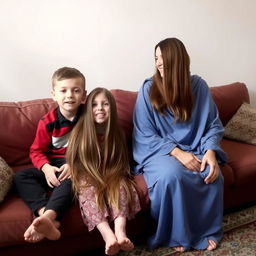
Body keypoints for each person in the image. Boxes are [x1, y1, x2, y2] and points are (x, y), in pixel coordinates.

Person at [132, 38, 227, 252]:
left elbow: (212, 124)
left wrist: (210, 152)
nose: (159, 63)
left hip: (196, 146)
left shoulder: (198, 86)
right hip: (160, 152)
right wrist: (177, 153)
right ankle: (175, 235)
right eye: (156, 58)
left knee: (212, 173)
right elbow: (144, 134)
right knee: (171, 176)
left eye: (163, 58)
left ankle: (206, 231)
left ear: (179, 59)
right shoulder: (148, 89)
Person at [14, 67, 86, 243]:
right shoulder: (48, 121)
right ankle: (45, 214)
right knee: (20, 176)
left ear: (84, 95)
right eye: (63, 90)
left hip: (78, 164)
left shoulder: (88, 118)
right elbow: (36, 150)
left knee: (72, 180)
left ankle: (47, 218)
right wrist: (46, 168)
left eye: (75, 90)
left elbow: (96, 147)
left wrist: (75, 164)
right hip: (53, 164)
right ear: (53, 94)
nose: (69, 95)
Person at [66, 87, 141, 255]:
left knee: (121, 187)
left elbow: (121, 162)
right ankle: (108, 235)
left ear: (112, 109)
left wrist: (114, 176)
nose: (100, 108)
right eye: (94, 104)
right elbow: (75, 162)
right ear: (88, 109)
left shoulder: (117, 132)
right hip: (88, 175)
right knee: (88, 192)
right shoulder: (79, 132)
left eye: (105, 104)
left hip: (112, 173)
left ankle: (121, 232)